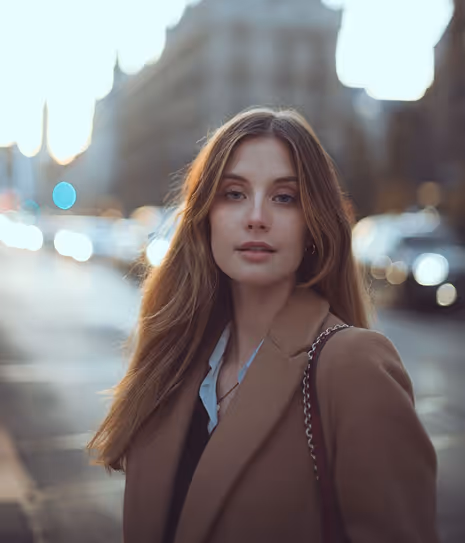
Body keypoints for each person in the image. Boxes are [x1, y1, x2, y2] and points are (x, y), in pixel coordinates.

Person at [88, 107, 439, 543]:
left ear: (313, 223)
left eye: (284, 197)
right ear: (205, 216)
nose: (256, 216)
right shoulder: (176, 360)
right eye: (233, 193)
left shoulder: (352, 365)